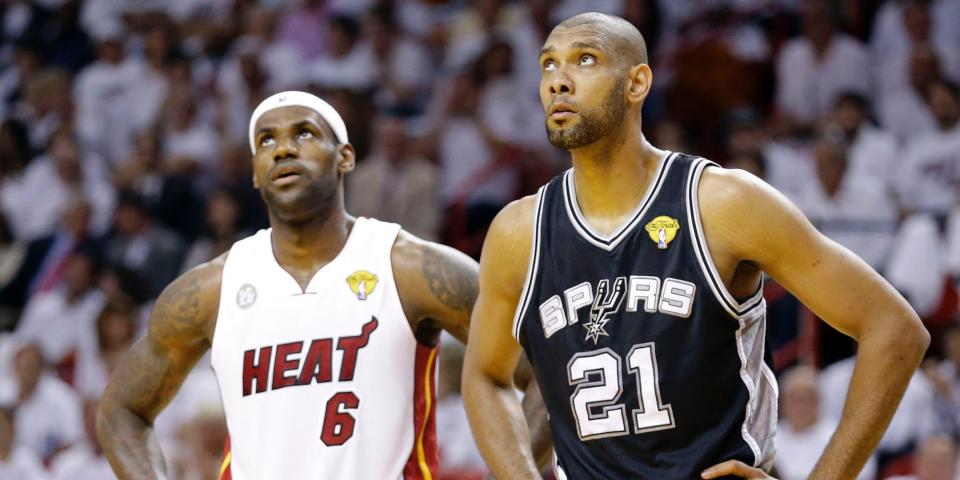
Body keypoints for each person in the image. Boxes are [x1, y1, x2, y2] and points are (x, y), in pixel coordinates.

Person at [462, 12, 929, 479]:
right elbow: (485, 373)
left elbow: (894, 329)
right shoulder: (520, 232)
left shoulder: (721, 203)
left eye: (584, 60)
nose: (558, 82)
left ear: (637, 83)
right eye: (547, 65)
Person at [96, 91, 536, 479]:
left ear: (345, 156)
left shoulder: (411, 268)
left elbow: (552, 371)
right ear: (254, 172)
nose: (283, 148)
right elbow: (121, 411)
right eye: (266, 140)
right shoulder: (212, 289)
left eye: (303, 133)